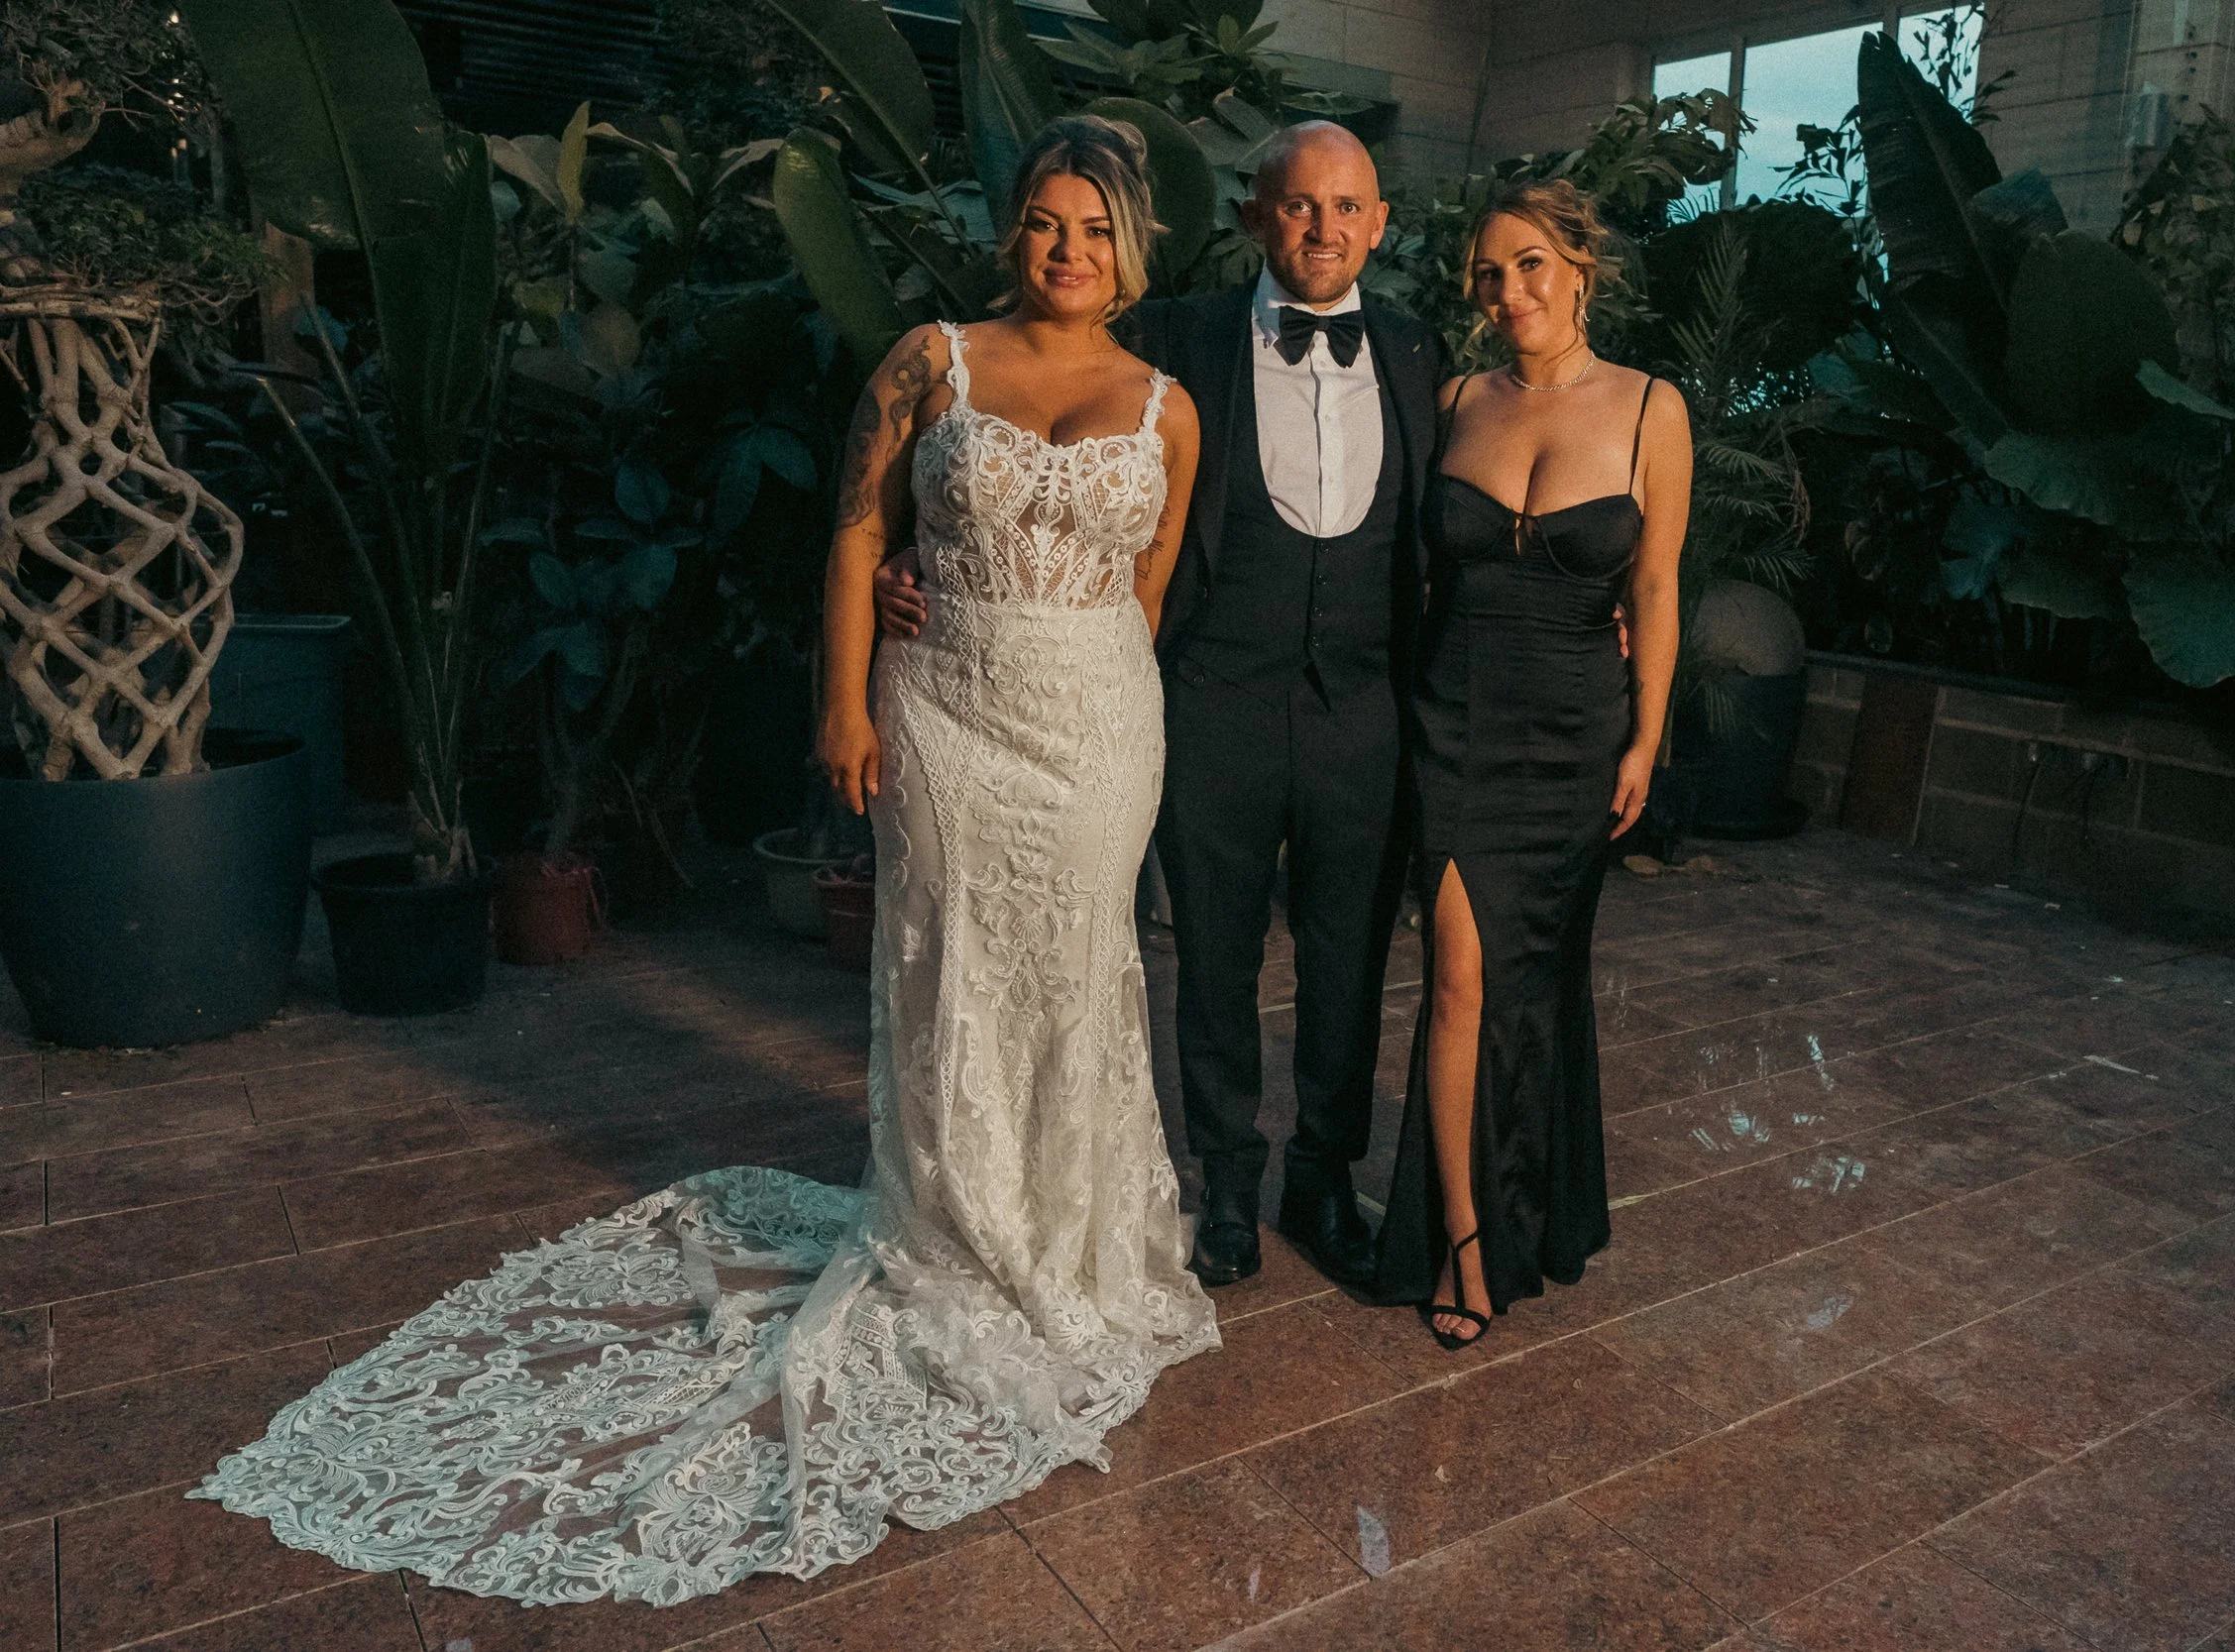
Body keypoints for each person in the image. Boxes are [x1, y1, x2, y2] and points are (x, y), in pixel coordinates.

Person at [190, 116, 1216, 1604]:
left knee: (1072, 968)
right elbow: (858, 540)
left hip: (1102, 721)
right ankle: (958, 1227)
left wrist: (1067, 644)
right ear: (1015, 232)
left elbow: (1146, 579)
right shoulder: (932, 362)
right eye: (1048, 222)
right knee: (952, 967)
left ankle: (1071, 1242)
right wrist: (843, 701)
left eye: (1097, 229)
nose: (1070, 250)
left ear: (1134, 248)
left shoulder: (1168, 407)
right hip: (949, 717)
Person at [877, 123, 1443, 1292]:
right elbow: (1026, 430)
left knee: (1347, 966)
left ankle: (1324, 1180)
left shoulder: (1418, 351)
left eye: (1347, 208)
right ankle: (1226, 1188)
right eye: (1297, 206)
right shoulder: (1172, 338)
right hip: (1207, 696)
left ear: (1379, 224)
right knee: (1215, 958)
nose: (1322, 229)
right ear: (1253, 217)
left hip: (1364, 710)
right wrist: (912, 560)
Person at [1372, 180, 1690, 1347]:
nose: (1509, 293)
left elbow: (1653, 587)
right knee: (1457, 979)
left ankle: (1533, 1202)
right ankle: (1460, 1234)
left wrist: (1648, 733)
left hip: (1575, 734)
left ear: (1580, 266)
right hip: (1453, 721)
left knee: (1536, 983)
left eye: (1531, 266)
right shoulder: (1456, 399)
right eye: (1489, 275)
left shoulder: (1653, 409)